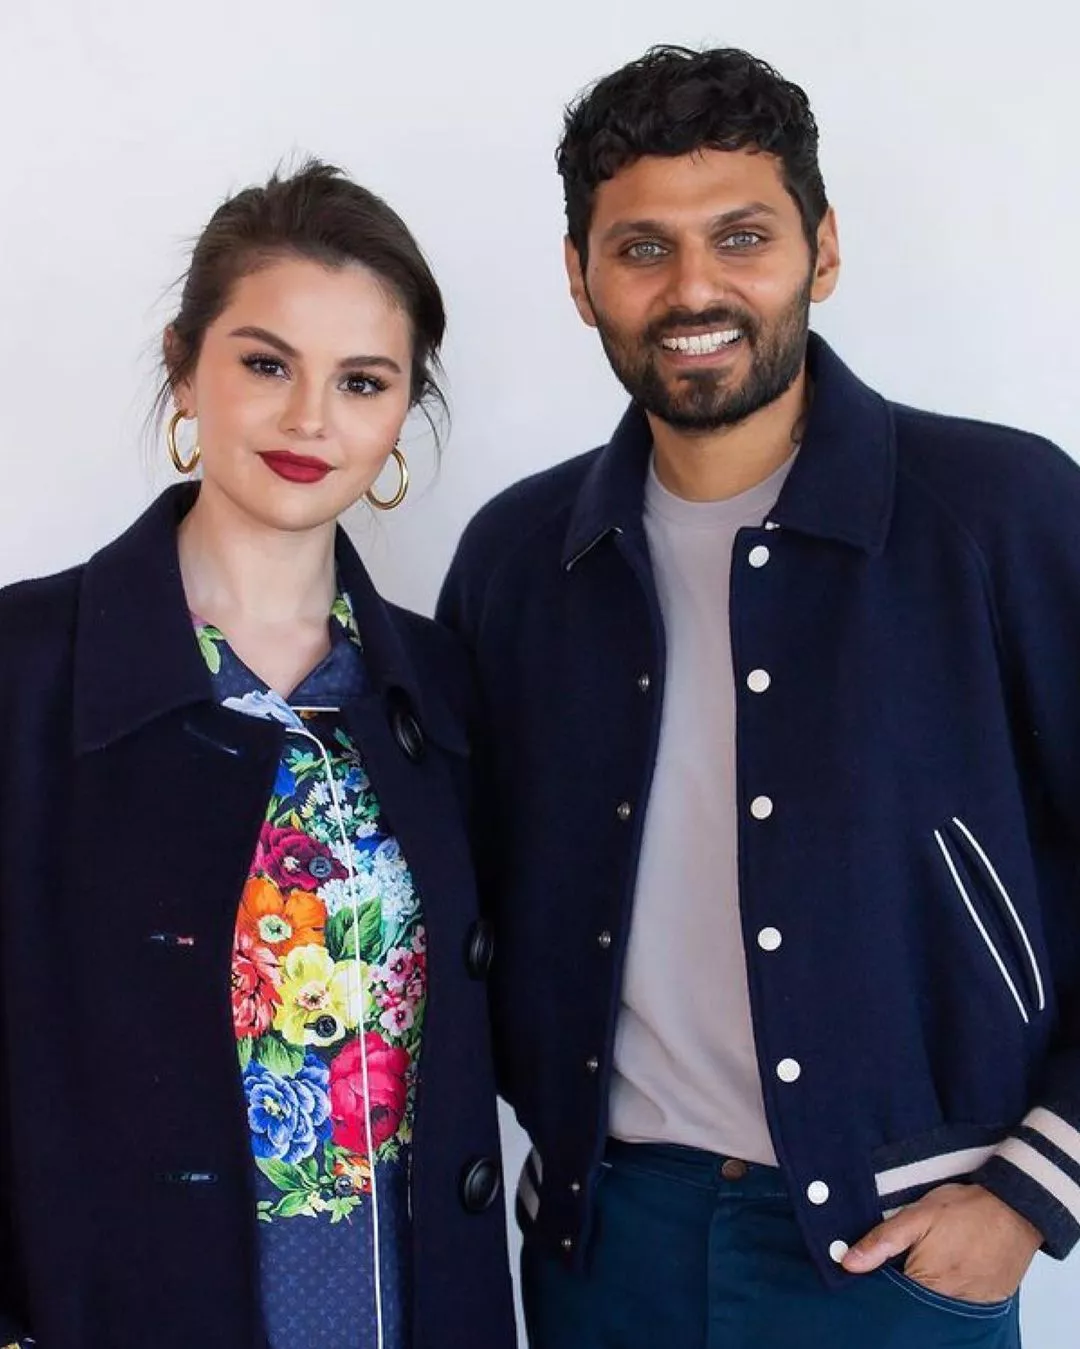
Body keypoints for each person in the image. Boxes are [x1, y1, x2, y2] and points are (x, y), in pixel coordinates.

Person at [437, 45, 1080, 1349]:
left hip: (900, 1259)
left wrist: (1037, 1183)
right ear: (579, 279)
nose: (693, 289)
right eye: (641, 248)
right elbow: (456, 895)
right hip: (599, 1250)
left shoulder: (1000, 512)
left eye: (741, 237)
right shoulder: (520, 558)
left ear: (822, 250)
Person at [0, 160, 515, 1349]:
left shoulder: (441, 689)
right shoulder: (28, 668)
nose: (310, 420)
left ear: (403, 413)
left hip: (405, 1306)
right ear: (186, 368)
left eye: (362, 381)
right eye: (267, 364)